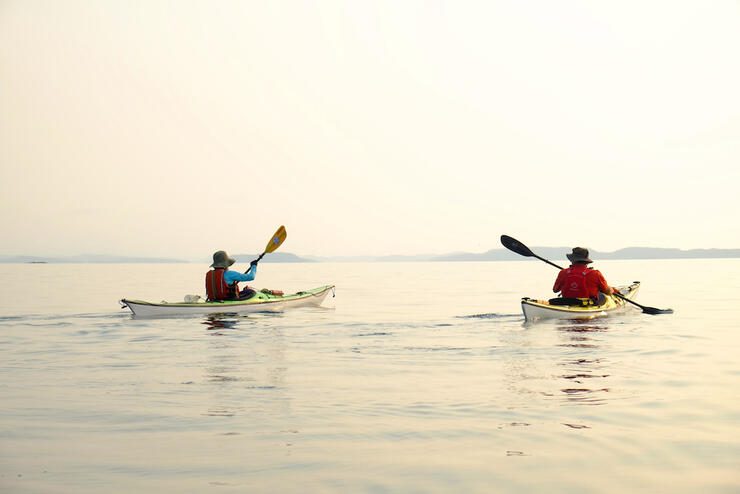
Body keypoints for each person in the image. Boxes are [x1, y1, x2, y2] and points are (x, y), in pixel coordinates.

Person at [551, 247, 619, 305]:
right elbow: (607, 291)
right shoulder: (596, 274)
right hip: (587, 304)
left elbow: (555, 290)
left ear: (572, 260)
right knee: (603, 295)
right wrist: (612, 290)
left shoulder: (563, 272)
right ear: (586, 261)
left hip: (566, 303)